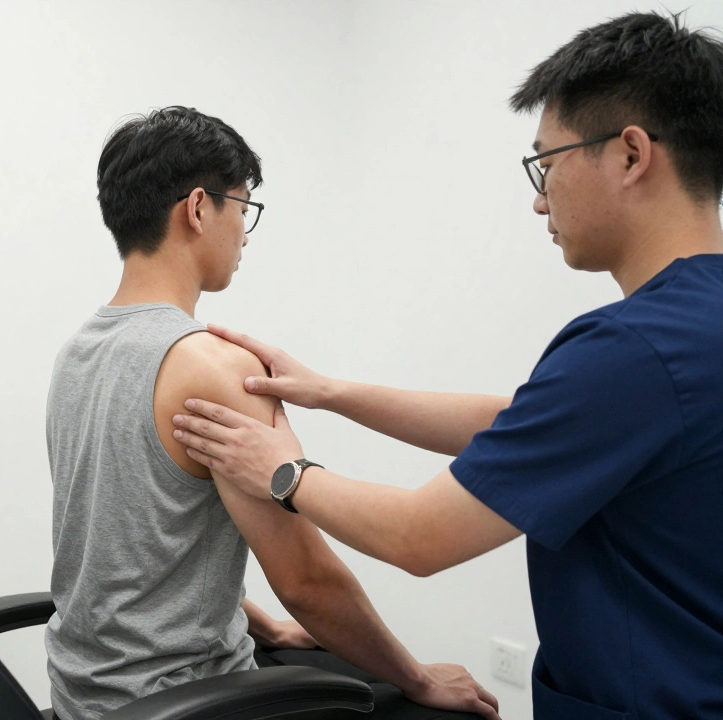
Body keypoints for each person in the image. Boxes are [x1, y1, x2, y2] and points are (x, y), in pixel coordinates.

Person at [170, 11, 723, 720]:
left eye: (547, 164)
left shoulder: (632, 350)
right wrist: (331, 392)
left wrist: (284, 472)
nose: (538, 198)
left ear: (630, 154)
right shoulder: (688, 330)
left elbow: (419, 537)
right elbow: (524, 423)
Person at [45, 105, 498, 720]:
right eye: (243, 207)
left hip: (83, 700)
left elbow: (135, 550)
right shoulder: (215, 368)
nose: (245, 233)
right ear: (198, 209)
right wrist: (418, 680)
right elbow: (307, 584)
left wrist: (265, 627)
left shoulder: (76, 354)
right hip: (187, 704)